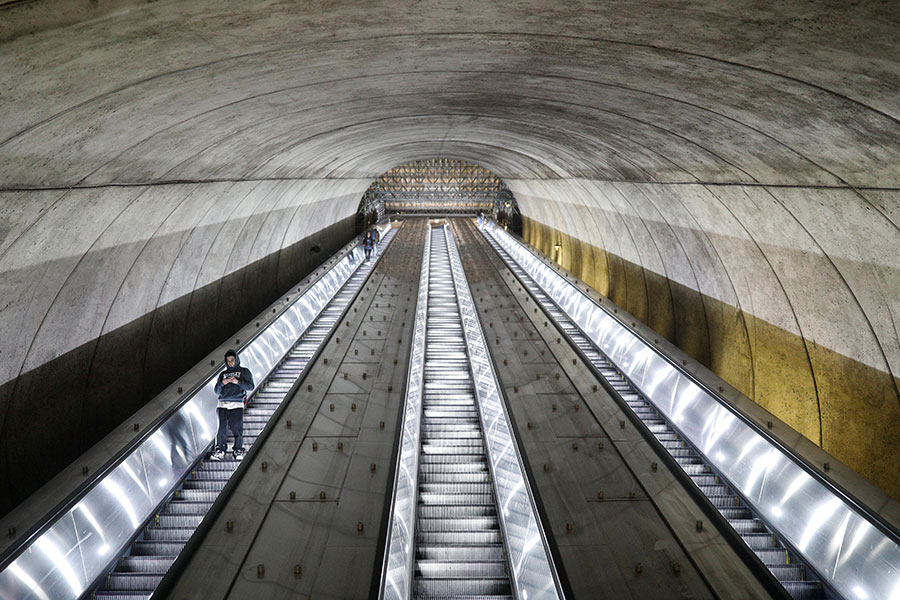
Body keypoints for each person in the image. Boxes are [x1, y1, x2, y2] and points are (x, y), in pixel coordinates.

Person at [212, 349, 254, 461]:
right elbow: (217, 390)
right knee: (221, 428)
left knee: (237, 428)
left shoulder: (244, 371)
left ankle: (238, 449)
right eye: (228, 361)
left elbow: (250, 386)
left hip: (237, 403)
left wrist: (237, 382)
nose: (230, 362)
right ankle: (220, 449)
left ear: (236, 360)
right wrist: (222, 383)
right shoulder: (223, 374)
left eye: (232, 360)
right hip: (222, 403)